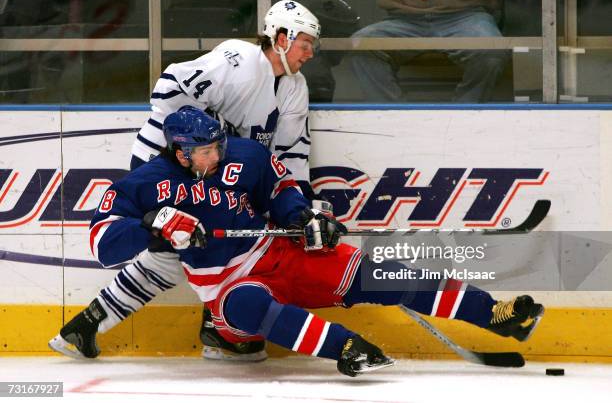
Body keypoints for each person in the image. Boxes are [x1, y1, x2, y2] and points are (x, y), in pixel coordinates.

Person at [49, 107, 544, 377]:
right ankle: (349, 348)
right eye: (204, 151)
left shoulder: (242, 155)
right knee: (244, 310)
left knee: (387, 278)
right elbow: (102, 243)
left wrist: (303, 217)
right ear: (179, 152)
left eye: (217, 145)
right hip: (223, 286)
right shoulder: (145, 183)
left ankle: (498, 317)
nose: (216, 156)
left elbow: (283, 189)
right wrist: (153, 226)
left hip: (280, 252)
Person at [68, 0, 321, 362]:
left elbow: (290, 154)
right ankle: (216, 330)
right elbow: (169, 87)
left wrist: (302, 207)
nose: (310, 53)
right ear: (280, 36)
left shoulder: (295, 88)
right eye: (305, 43)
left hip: (215, 171)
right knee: (185, 247)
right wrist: (193, 144)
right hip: (170, 164)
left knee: (193, 249)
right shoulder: (239, 58)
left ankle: (89, 325)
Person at [350, 0, 510, 103]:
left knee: (491, 50)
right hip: (405, 19)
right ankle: (393, 117)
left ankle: (464, 116)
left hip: (465, 15)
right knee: (361, 44)